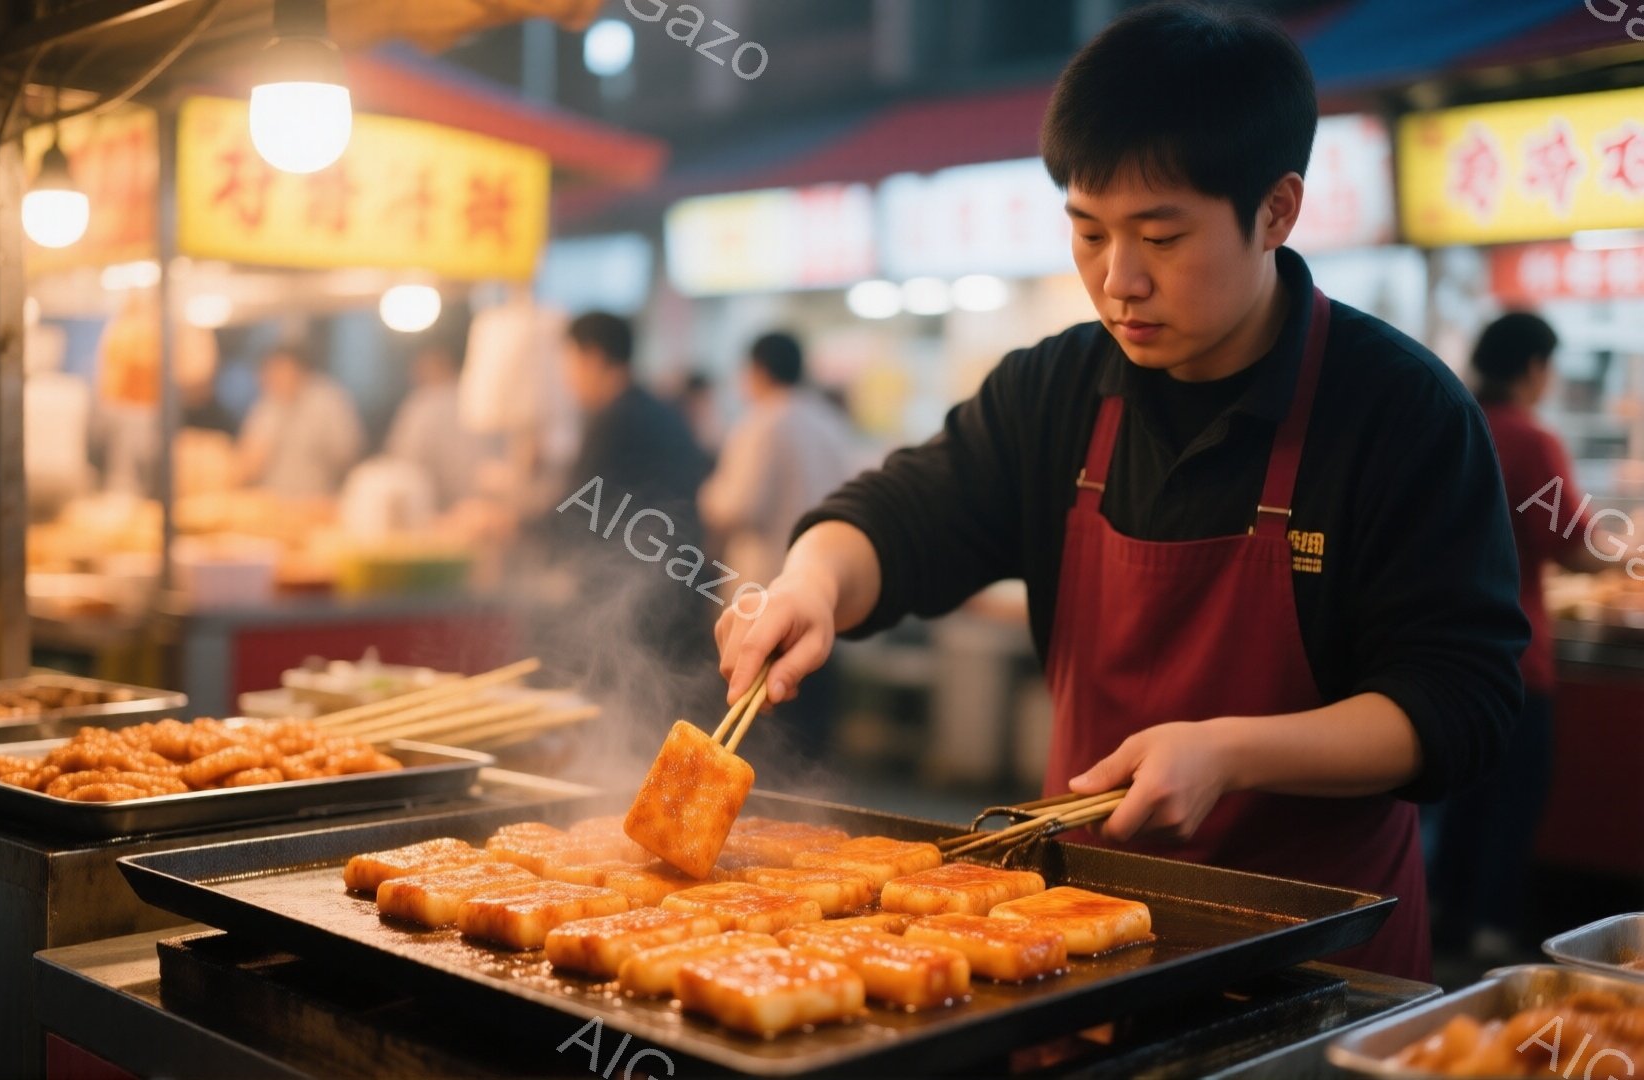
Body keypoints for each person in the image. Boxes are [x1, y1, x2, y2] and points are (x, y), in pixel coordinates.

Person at [713, 4, 1527, 981]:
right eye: (1089, 233)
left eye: (1161, 236)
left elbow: (1462, 701)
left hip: (1316, 961)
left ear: (1277, 210)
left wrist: (1232, 753)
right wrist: (810, 583)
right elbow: (900, 515)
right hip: (1068, 954)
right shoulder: (1054, 389)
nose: (1118, 280)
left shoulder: (1401, 411)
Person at [1429, 313, 1624, 960]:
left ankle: (1443, 924)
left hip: (1442, 654)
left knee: (1462, 802)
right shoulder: (1526, 440)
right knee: (1511, 805)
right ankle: (1493, 936)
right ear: (1535, 367)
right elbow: (1574, 545)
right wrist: (1627, 550)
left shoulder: (1450, 420)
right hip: (1515, 659)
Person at [555, 312, 715, 670]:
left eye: (568, 362)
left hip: (642, 597)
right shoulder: (664, 410)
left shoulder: (614, 419)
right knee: (663, 709)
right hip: (684, 583)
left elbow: (577, 508)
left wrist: (510, 524)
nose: (567, 378)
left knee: (629, 703)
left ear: (593, 357)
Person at [700, 332, 862, 586]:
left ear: (759, 370)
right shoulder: (830, 420)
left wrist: (708, 496)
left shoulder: (761, 423)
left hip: (767, 571)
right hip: (821, 568)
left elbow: (738, 507)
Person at [236, 347, 364, 499]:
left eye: (279, 370)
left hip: (319, 500)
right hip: (273, 500)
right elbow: (250, 460)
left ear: (300, 370)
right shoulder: (267, 405)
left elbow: (348, 454)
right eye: (268, 373)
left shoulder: (328, 401)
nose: (272, 378)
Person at [384, 341, 484, 512]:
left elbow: (405, 463)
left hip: (439, 511)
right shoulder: (481, 398)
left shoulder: (423, 405)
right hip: (488, 509)